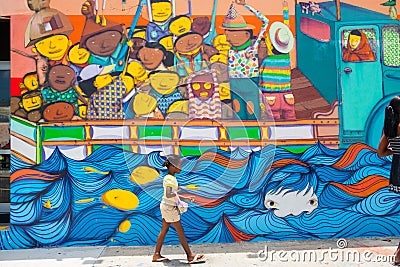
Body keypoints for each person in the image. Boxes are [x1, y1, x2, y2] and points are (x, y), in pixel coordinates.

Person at [153, 155, 205, 264]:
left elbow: (172, 194)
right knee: (180, 231)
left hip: (167, 206)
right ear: (172, 166)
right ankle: (190, 256)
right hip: (169, 207)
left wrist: (185, 198)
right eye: (179, 165)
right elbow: (169, 193)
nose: (181, 168)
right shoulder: (169, 179)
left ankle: (156, 255)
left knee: (164, 230)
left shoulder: (170, 178)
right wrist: (181, 199)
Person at [377, 96, 400, 265]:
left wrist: (396, 152)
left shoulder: (389, 130)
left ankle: (399, 254)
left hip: (397, 173)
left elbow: (381, 153)